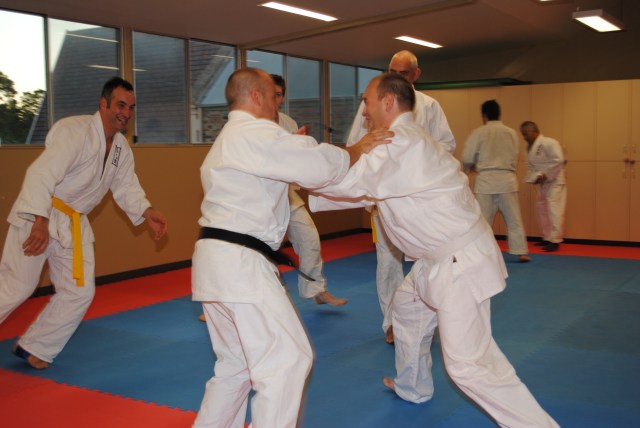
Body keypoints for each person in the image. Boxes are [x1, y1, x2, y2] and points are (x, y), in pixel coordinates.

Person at [309, 73, 559, 427]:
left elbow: (348, 184)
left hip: (457, 263)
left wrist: (298, 163)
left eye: (366, 101)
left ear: (387, 102)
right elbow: (362, 190)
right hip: (438, 259)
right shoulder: (408, 138)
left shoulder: (397, 143)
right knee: (407, 309)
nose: (363, 111)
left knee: (470, 367)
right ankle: (412, 387)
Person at [191, 68, 390, 428]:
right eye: (272, 96)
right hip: (240, 264)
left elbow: (288, 164)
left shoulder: (231, 137)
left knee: (235, 369)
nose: (276, 105)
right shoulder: (254, 132)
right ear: (255, 96)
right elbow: (317, 165)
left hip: (216, 261)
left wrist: (293, 148)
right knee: (288, 360)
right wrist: (357, 149)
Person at [0, 77, 168, 370]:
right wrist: (40, 221)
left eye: (130, 107)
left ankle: (35, 346)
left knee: (79, 292)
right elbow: (42, 174)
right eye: (120, 105)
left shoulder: (121, 149)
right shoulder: (74, 131)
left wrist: (147, 210)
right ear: (104, 104)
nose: (126, 113)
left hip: (74, 223)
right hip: (41, 213)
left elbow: (126, 186)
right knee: (16, 286)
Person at [345, 50, 455, 344]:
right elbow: (354, 144)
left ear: (416, 75)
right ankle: (392, 322)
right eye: (392, 71)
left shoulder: (429, 105)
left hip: (421, 199)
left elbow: (447, 144)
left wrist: (417, 159)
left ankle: (426, 318)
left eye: (403, 73)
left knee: (428, 259)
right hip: (385, 197)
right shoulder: (370, 105)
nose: (396, 77)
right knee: (388, 260)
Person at [272, 74, 347, 306]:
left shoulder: (287, 122)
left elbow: (298, 161)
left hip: (287, 194)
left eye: (278, 95)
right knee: (258, 250)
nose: (274, 99)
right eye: (270, 94)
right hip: (262, 198)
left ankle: (316, 290)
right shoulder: (255, 125)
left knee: (309, 238)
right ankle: (221, 304)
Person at [462, 99, 531, 263]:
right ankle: (521, 251)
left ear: (484, 115)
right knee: (514, 219)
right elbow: (515, 155)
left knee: (483, 220)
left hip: (486, 181)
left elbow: (467, 157)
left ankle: (482, 252)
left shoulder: (479, 132)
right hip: (507, 180)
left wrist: (469, 167)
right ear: (499, 114)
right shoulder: (511, 133)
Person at [520, 121, 567, 252]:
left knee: (554, 209)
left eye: (526, 134)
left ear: (534, 131)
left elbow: (559, 160)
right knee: (541, 209)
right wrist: (533, 178)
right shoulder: (528, 147)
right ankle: (546, 237)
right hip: (541, 182)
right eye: (523, 134)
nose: (524, 137)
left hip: (554, 181)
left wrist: (545, 174)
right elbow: (530, 166)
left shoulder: (550, 142)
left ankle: (555, 240)